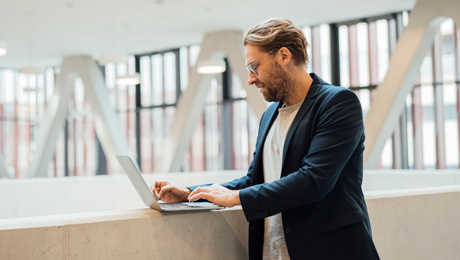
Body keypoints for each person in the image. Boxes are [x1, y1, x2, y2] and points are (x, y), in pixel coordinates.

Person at [151, 18, 380, 260]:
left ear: (283, 55)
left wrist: (237, 198)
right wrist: (190, 193)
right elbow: (255, 180)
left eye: (254, 67)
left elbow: (314, 180)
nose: (250, 79)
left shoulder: (337, 103)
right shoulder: (270, 114)